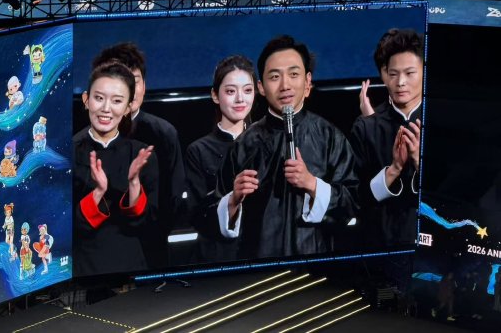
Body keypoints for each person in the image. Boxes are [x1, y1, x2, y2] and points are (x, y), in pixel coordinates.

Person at [216, 35, 359, 259]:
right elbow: (212, 215)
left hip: (316, 263)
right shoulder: (244, 144)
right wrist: (233, 200)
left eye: (293, 74)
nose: (285, 85)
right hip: (260, 265)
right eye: (275, 76)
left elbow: (352, 202)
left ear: (308, 81)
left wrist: (312, 184)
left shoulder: (330, 137)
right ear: (261, 87)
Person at [91, 42, 185, 268]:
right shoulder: (84, 138)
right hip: (97, 258)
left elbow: (172, 201)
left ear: (145, 84)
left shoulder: (164, 134)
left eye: (135, 80)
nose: (130, 90)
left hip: (150, 254)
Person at [73, 62, 159, 277]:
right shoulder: (66, 154)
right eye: (99, 98)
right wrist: (98, 192)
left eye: (117, 101)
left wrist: (134, 184)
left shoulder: (141, 154)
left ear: (128, 107)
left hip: (130, 269)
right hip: (80, 271)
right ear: (86, 99)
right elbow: (62, 228)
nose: (106, 108)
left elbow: (150, 226)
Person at [350, 28, 423, 248]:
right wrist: (393, 170)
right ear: (384, 74)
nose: (400, 82)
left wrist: (419, 162)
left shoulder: (442, 120)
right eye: (393, 74)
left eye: (410, 73)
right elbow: (354, 198)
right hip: (380, 244)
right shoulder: (366, 127)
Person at [186, 55, 256, 263]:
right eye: (230, 91)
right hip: (218, 258)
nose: (240, 99)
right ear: (215, 95)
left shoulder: (267, 142)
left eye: (247, 90)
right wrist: (232, 200)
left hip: (265, 252)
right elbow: (196, 215)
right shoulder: (198, 150)